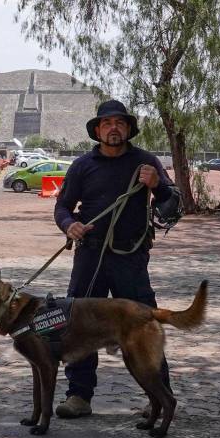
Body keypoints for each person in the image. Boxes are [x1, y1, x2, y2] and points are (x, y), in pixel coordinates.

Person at [53, 99, 177, 418]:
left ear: (128, 128)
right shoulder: (82, 165)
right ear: (97, 130)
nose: (113, 128)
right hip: (90, 256)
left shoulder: (146, 162)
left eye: (119, 123)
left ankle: (158, 399)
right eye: (107, 123)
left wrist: (158, 185)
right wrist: (70, 225)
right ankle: (79, 396)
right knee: (78, 326)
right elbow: (62, 207)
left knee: (143, 326)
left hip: (130, 258)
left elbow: (172, 207)